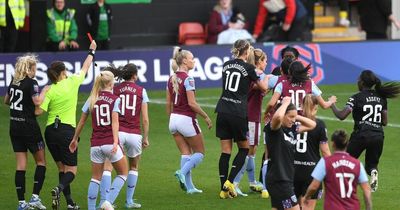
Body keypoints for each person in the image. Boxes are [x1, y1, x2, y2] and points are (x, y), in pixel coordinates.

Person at [36, 40, 97, 210]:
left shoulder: (49, 89)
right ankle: (58, 189)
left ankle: (69, 203)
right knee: (71, 170)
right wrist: (91, 51)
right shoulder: (72, 82)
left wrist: (41, 92)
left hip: (50, 131)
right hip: (66, 131)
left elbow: (39, 111)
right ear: (62, 72)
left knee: (61, 168)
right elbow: (85, 67)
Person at [330, 70, 400, 192]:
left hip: (361, 134)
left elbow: (342, 115)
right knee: (372, 165)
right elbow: (385, 122)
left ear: (362, 83)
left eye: (358, 80)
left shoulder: (356, 98)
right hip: (378, 136)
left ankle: (345, 186)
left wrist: (332, 104)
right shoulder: (381, 98)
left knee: (345, 160)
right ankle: (373, 173)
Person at [215, 39, 268, 199]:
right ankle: (230, 182)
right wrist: (267, 78)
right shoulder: (249, 68)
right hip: (238, 112)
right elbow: (263, 88)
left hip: (222, 109)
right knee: (244, 149)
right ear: (246, 52)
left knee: (225, 152)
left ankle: (223, 189)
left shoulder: (226, 65)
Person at [69, 71, 127, 210]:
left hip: (95, 144)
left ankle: (91, 208)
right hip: (109, 143)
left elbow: (82, 122)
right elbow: (115, 123)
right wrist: (115, 142)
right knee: (123, 173)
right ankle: (106, 202)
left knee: (95, 178)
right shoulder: (115, 99)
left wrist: (74, 138)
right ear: (111, 83)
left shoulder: (92, 99)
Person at [98, 63, 150, 209]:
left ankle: (104, 201)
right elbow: (145, 119)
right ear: (134, 75)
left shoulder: (115, 89)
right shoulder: (141, 91)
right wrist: (145, 137)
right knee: (133, 166)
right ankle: (129, 201)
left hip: (119, 132)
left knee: (108, 167)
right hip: (134, 134)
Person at [4, 54, 48, 210]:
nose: (36, 71)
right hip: (29, 127)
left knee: (20, 165)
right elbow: (37, 101)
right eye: (35, 67)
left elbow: (6, 101)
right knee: (41, 162)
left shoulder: (13, 81)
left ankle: (21, 203)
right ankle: (35, 197)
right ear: (30, 68)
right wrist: (45, 92)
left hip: (14, 127)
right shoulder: (32, 83)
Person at [166, 47, 212, 194]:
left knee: (186, 153)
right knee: (200, 153)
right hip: (186, 118)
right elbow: (192, 103)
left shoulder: (171, 78)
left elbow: (169, 104)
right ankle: (181, 172)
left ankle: (190, 187)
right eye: (192, 58)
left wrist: (171, 120)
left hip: (173, 119)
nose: (194, 61)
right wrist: (205, 116)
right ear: (185, 61)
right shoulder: (188, 79)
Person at [265, 96, 316, 210]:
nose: (293, 120)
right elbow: (277, 117)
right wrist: (285, 103)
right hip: (278, 180)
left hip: (285, 179)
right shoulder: (274, 129)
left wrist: (295, 115)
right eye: (290, 117)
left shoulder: (292, 130)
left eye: (294, 117)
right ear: (283, 114)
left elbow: (312, 125)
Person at [231, 48, 269, 197]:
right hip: (251, 117)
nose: (267, 63)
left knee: (249, 152)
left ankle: (253, 182)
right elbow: (264, 88)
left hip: (243, 115)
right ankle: (235, 183)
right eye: (265, 60)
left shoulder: (246, 73)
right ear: (259, 61)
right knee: (248, 152)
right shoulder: (258, 75)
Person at [304, 130, 372, 210]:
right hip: (353, 207)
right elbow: (367, 190)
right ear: (347, 144)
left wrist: (306, 197)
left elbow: (314, 187)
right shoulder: (357, 164)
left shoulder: (325, 162)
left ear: (333, 144)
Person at [293, 94, 331, 210]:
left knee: (295, 206)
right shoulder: (319, 125)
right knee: (308, 206)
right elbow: (325, 152)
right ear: (316, 106)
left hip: (293, 169)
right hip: (312, 171)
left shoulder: (294, 122)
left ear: (301, 105)